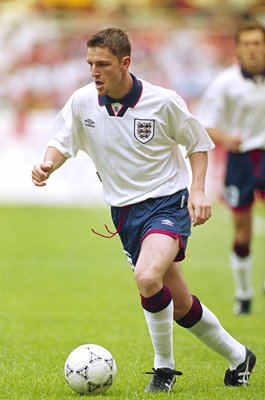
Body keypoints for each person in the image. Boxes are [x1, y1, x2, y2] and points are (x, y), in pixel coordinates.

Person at [32, 27, 256, 392]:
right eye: (90, 63)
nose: (94, 72)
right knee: (179, 302)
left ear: (125, 63)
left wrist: (198, 191)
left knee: (147, 278)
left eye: (102, 64)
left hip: (168, 203)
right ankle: (239, 357)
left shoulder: (163, 101)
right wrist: (47, 164)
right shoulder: (82, 102)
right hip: (124, 215)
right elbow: (61, 140)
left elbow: (198, 144)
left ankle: (163, 369)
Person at [196, 21, 265, 315]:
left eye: (258, 43)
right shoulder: (225, 83)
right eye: (247, 44)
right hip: (241, 160)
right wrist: (227, 139)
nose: (253, 49)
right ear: (238, 49)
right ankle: (244, 293)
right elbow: (204, 124)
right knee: (242, 231)